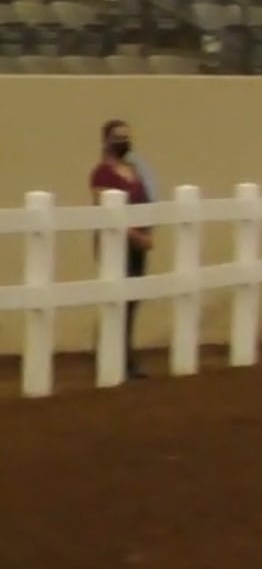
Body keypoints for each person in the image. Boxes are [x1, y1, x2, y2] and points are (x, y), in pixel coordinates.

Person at [90, 119, 155, 378]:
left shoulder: (134, 170)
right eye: (118, 137)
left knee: (132, 300)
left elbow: (147, 201)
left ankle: (124, 356)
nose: (123, 142)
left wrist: (147, 234)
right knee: (115, 299)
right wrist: (135, 235)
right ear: (106, 140)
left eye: (126, 136)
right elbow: (106, 210)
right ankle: (109, 355)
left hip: (138, 244)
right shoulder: (101, 173)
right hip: (115, 244)